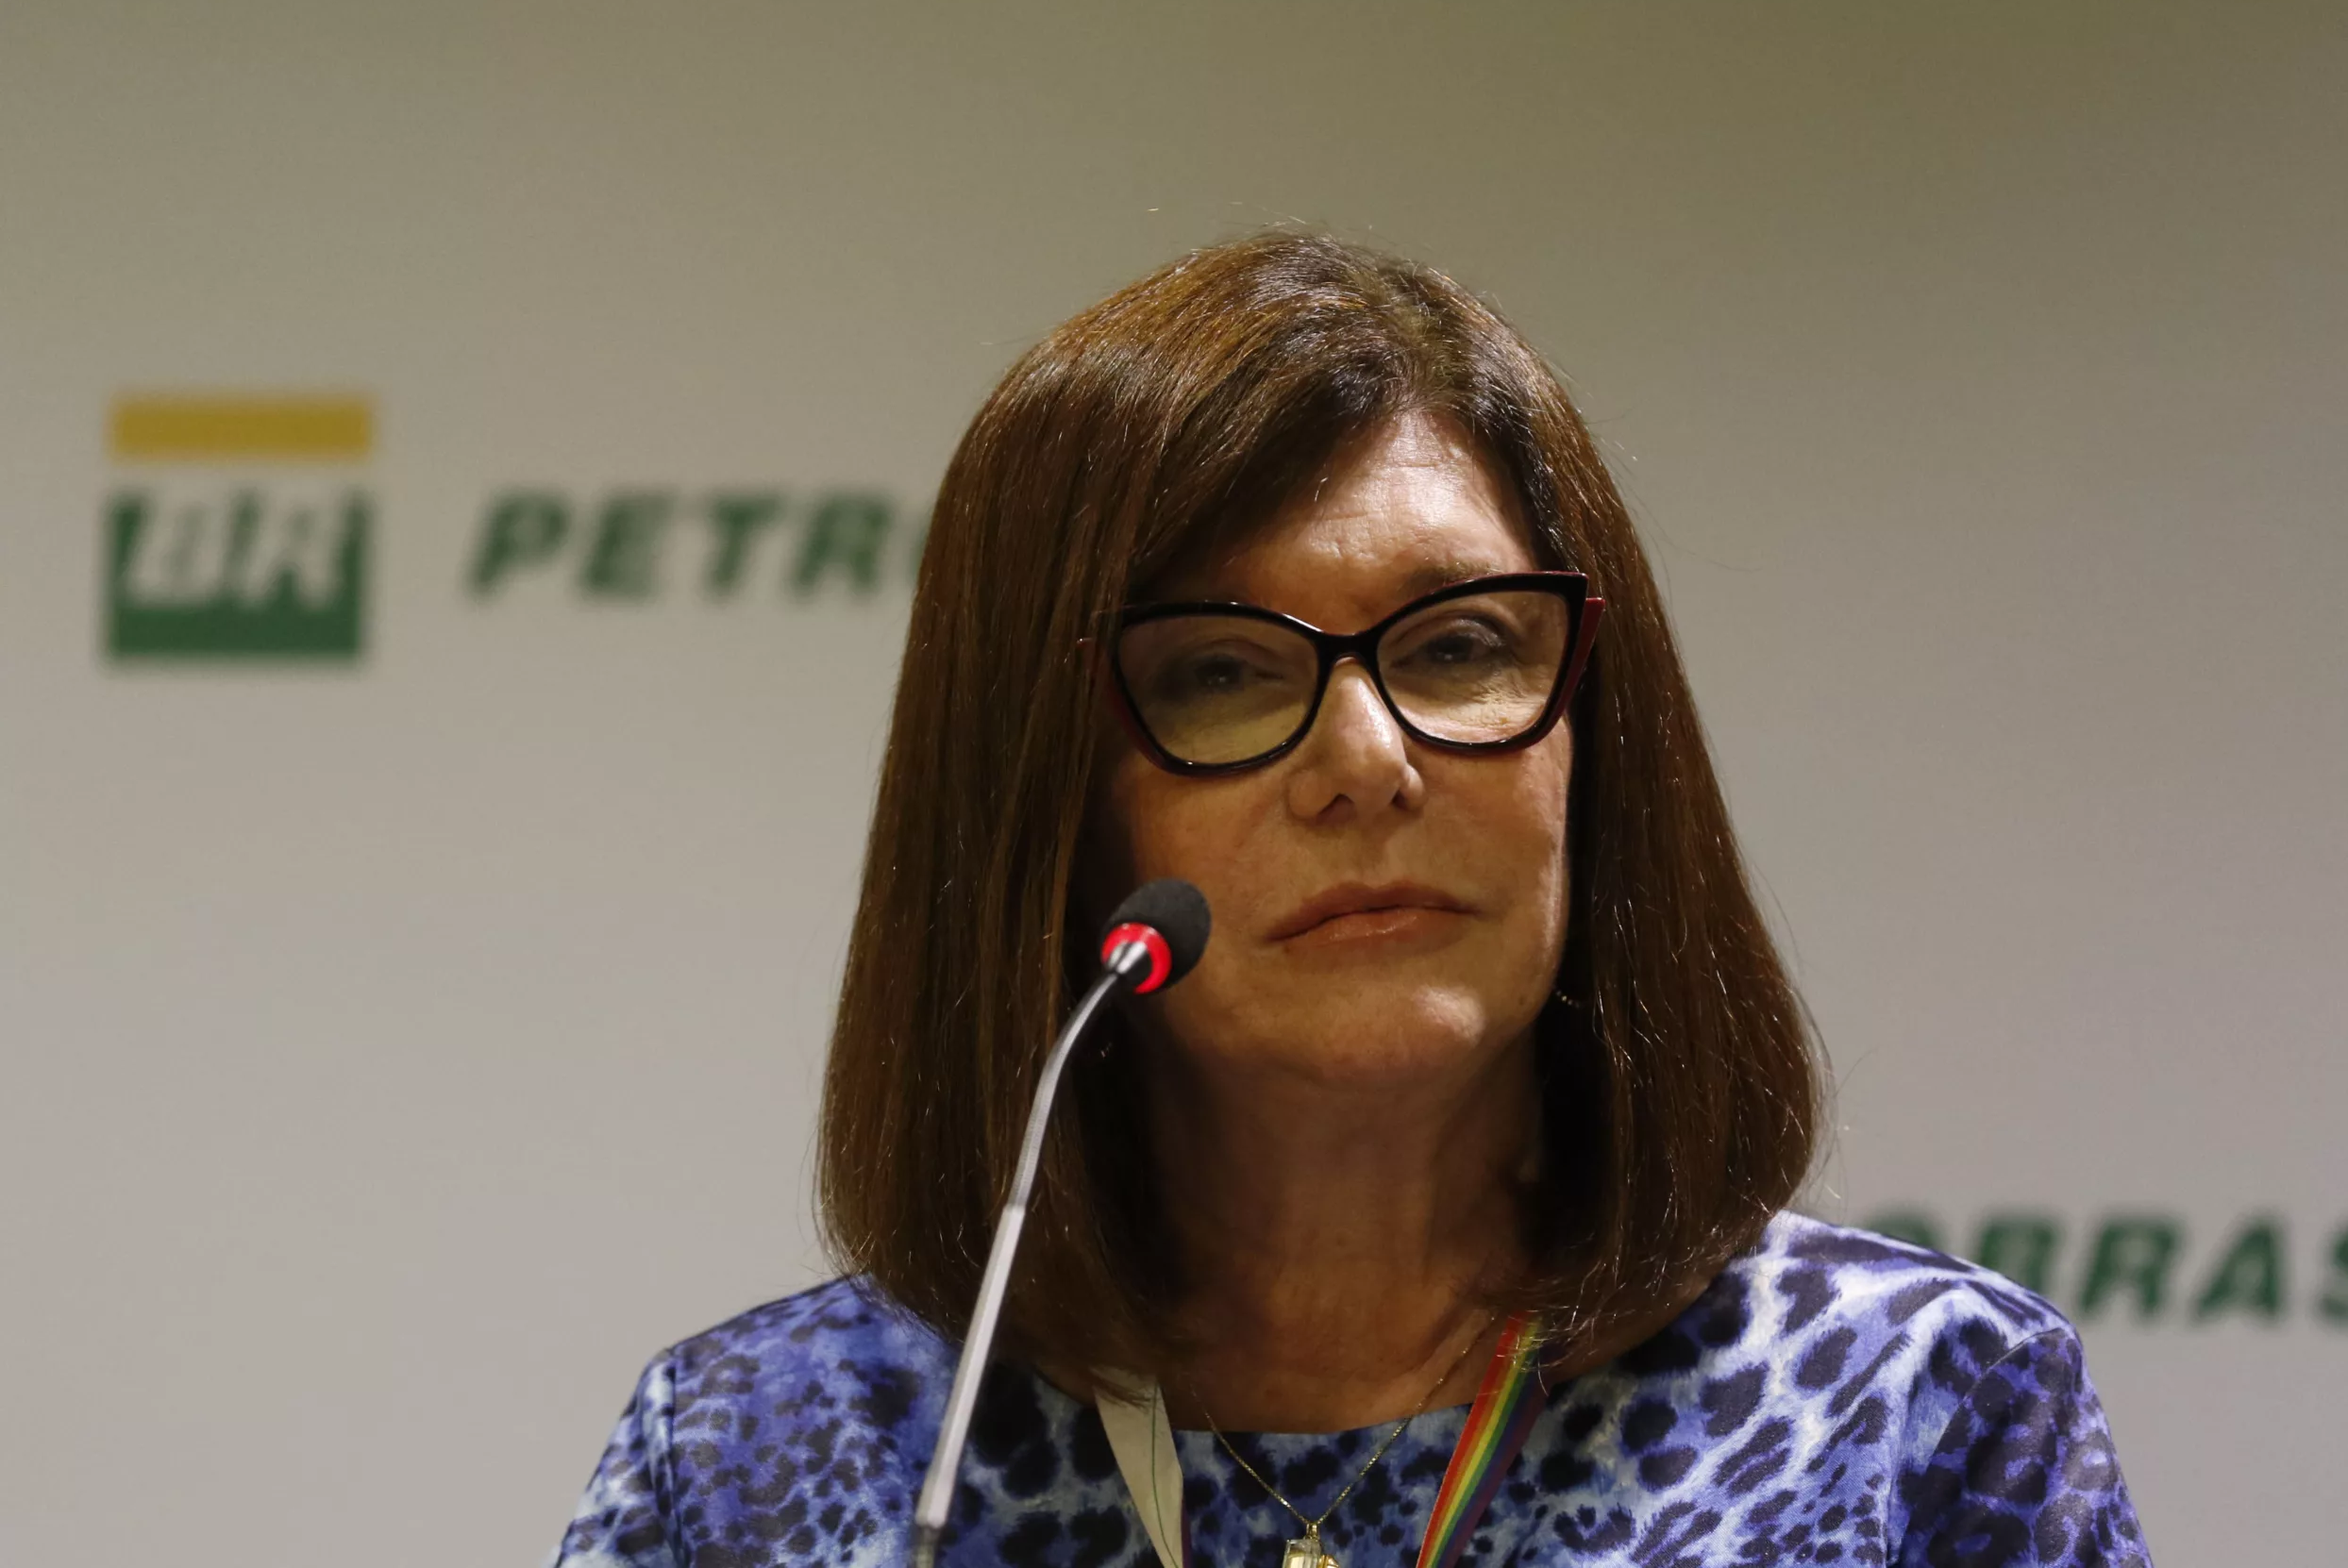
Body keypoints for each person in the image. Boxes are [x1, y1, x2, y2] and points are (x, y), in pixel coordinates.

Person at [552, 233, 2152, 1568]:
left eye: (1459, 645)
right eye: (1226, 673)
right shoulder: (755, 1462)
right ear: (1044, 800)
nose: (1367, 760)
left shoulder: (1920, 1406)